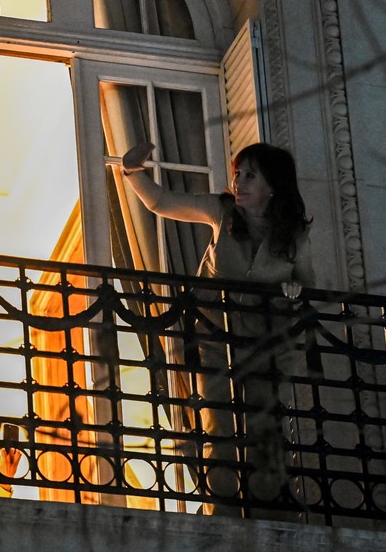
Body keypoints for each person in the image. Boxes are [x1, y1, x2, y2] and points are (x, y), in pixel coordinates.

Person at [118, 141, 316, 518]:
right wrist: (132, 172)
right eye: (237, 173)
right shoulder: (221, 211)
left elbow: (310, 289)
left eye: (249, 175)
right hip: (214, 337)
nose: (237, 181)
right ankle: (221, 507)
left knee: (265, 424)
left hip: (265, 344)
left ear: (273, 186)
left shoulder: (293, 236)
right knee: (217, 422)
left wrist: (295, 291)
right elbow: (162, 202)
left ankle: (269, 509)